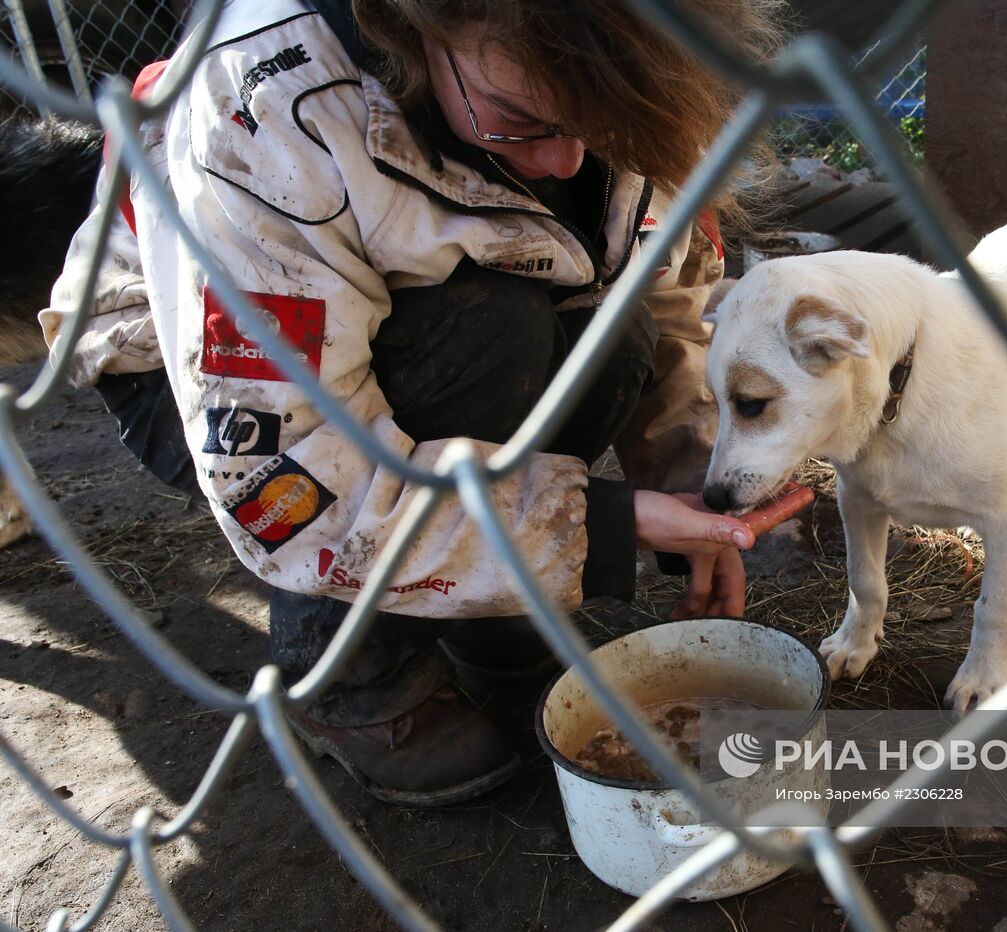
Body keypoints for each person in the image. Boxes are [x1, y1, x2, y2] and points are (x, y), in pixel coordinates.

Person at [40, 0, 787, 806]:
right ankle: (355, 678)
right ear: (409, 24)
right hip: (205, 379)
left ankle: (487, 606)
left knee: (620, 334)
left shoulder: (643, 53)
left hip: (446, 326)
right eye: (519, 120)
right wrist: (599, 525)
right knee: (494, 332)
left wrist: (691, 486)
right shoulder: (261, 101)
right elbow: (285, 471)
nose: (571, 162)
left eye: (600, 128)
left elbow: (669, 293)